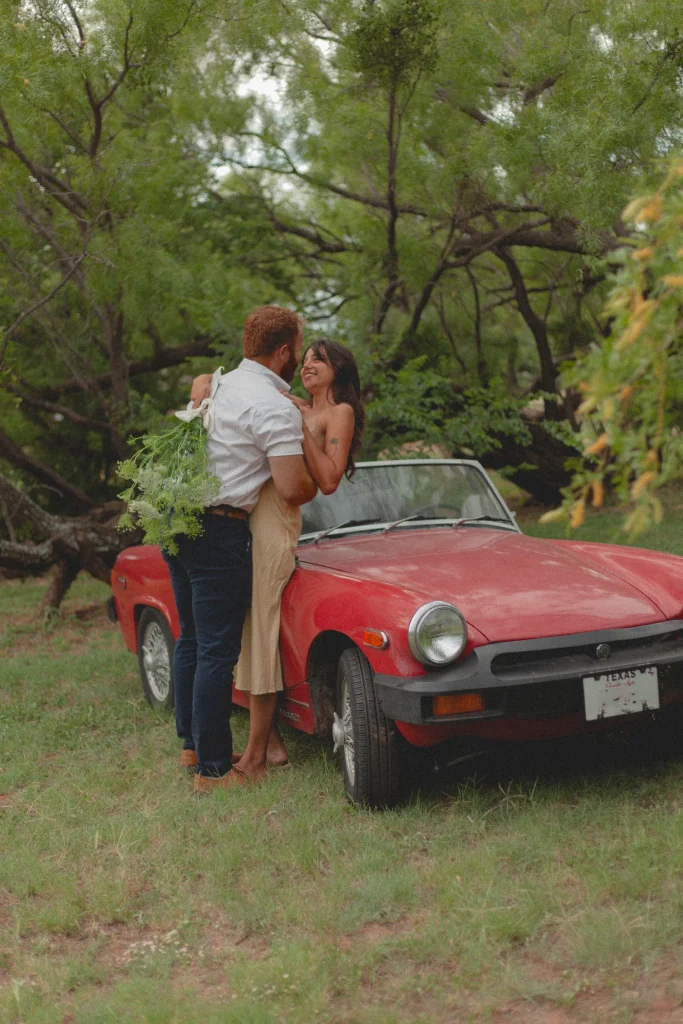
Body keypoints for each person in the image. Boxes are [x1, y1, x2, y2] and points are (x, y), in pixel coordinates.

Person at [190, 338, 365, 773]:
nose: (307, 366)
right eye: (305, 359)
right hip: (247, 515)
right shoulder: (291, 402)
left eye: (318, 360)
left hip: (277, 521)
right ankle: (269, 744)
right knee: (247, 624)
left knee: (261, 623)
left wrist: (298, 429)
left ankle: (258, 755)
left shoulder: (337, 412)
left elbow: (328, 479)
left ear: (339, 368)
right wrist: (202, 383)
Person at [165, 305, 316, 795]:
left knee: (190, 639)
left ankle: (191, 745)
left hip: (177, 519)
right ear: (286, 351)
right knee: (215, 652)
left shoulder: (223, 382)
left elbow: (203, 378)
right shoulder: (272, 406)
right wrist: (322, 475)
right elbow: (292, 489)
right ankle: (211, 771)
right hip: (218, 530)